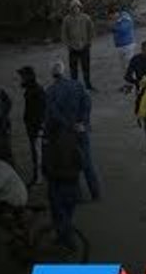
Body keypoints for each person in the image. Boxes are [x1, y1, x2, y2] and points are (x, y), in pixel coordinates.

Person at [44, 61, 99, 201]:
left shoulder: (50, 91)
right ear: (64, 71)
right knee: (87, 162)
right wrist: (83, 122)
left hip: (64, 133)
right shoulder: (77, 85)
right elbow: (87, 103)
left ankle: (78, 196)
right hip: (80, 128)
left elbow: (53, 114)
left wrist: (66, 125)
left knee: (71, 165)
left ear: (52, 74)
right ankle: (95, 193)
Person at [41, 126, 83, 250]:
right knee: (67, 214)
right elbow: (82, 162)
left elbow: (46, 167)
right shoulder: (72, 140)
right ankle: (65, 239)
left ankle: (66, 240)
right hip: (73, 184)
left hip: (57, 186)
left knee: (59, 216)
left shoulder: (50, 146)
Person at [17, 66, 46, 186]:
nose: (21, 79)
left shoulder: (35, 91)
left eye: (22, 76)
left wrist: (40, 128)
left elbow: (40, 112)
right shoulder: (33, 90)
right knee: (37, 153)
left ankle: (39, 178)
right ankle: (39, 177)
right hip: (34, 128)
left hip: (36, 128)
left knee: (38, 154)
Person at [60, 0, 96, 91]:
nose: (76, 9)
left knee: (86, 68)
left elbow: (91, 31)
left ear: (80, 7)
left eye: (77, 7)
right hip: (73, 48)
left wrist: (89, 43)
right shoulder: (67, 19)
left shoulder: (86, 18)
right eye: (74, 7)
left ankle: (88, 85)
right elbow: (64, 34)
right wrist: (69, 45)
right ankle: (74, 86)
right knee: (73, 69)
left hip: (84, 47)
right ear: (71, 8)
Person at [108, 5, 136, 77]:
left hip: (127, 45)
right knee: (123, 66)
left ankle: (133, 83)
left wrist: (114, 26)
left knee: (128, 65)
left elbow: (123, 29)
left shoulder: (125, 18)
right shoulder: (118, 20)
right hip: (120, 45)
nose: (111, 18)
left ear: (116, 13)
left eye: (112, 16)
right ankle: (128, 83)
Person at [0, 84, 13, 168]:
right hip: (2, 127)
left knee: (4, 152)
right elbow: (8, 104)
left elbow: (8, 104)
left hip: (0, 128)